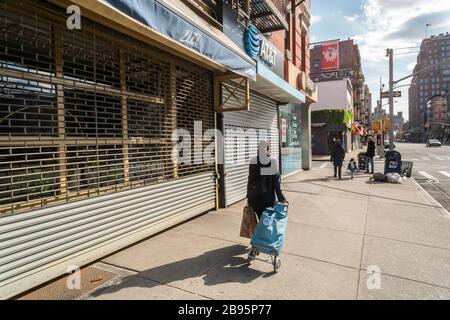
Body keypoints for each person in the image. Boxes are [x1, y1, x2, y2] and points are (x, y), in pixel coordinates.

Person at [247, 141, 287, 219]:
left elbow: (250, 181)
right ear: (268, 149)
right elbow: (276, 183)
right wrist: (281, 198)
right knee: (267, 224)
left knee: (259, 222)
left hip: (254, 199)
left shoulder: (253, 161)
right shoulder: (272, 161)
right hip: (268, 199)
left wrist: (249, 198)